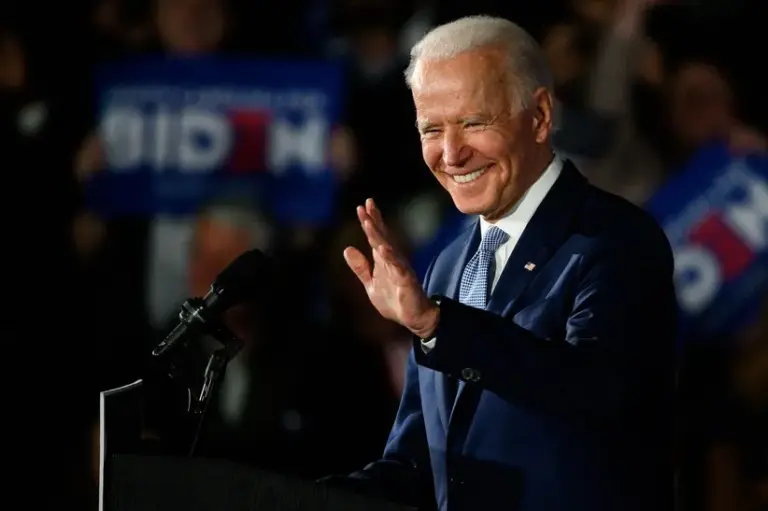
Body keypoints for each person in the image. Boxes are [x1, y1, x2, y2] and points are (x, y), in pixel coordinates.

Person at [328, 15, 677, 511]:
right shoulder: (447, 266)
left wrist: (434, 325)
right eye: (432, 128)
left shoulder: (616, 241)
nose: (451, 153)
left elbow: (595, 396)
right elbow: (420, 463)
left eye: (473, 122)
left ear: (538, 116)